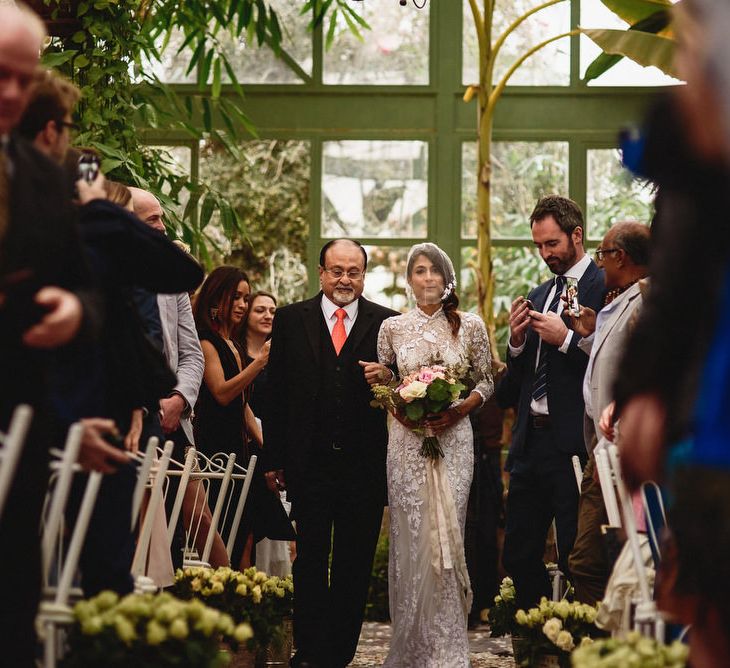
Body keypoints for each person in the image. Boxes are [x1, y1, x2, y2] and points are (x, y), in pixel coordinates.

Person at [0, 5, 105, 664]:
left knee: (13, 615)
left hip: (20, 427)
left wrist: (74, 310)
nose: (12, 94)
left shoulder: (41, 173)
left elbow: (89, 289)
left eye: (23, 78)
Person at [262, 239, 398, 668]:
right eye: (337, 270)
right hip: (309, 463)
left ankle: (338, 653)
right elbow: (275, 394)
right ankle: (309, 649)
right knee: (310, 560)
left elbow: (403, 391)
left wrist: (390, 376)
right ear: (320, 272)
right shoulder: (289, 319)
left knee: (354, 564)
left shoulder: (388, 323)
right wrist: (274, 459)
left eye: (353, 271)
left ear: (363, 275)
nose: (345, 279)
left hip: (365, 466)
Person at [375, 242, 493, 668]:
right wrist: (399, 408)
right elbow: (383, 382)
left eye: (435, 272)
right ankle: (412, 645)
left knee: (447, 533)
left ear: (447, 280)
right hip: (406, 443)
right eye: (419, 271)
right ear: (409, 280)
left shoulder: (471, 327)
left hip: (453, 440)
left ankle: (447, 648)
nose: (427, 278)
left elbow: (487, 381)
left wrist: (461, 408)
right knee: (410, 537)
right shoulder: (391, 328)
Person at [496, 195, 605, 611]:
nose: (545, 254)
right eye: (539, 245)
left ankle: (575, 646)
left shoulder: (605, 286)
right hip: (529, 444)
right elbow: (517, 379)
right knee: (519, 554)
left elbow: (609, 362)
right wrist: (517, 342)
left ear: (576, 235)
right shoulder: (539, 293)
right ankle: (540, 635)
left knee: (576, 557)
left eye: (552, 244)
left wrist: (566, 340)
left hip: (574, 445)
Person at [566, 221, 650, 605]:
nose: (599, 264)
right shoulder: (623, 300)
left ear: (622, 256)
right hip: (601, 448)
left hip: (624, 449)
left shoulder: (646, 304)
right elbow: (609, 362)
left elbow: (647, 376)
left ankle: (606, 646)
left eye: (602, 253)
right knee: (591, 559)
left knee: (596, 561)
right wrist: (589, 333)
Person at [192, 266, 263, 568]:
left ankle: (243, 592)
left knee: (246, 527)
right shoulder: (207, 342)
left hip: (239, 447)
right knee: (219, 523)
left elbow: (243, 404)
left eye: (246, 299)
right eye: (236, 297)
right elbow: (221, 392)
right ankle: (223, 588)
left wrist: (264, 443)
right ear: (217, 297)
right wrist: (259, 364)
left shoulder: (235, 345)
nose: (242, 306)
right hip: (213, 447)